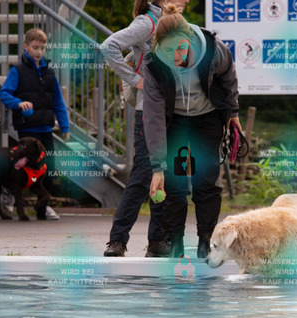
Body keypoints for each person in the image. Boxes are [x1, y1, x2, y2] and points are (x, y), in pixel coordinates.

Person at [143, 5, 241, 259]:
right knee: (174, 182)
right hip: (175, 120)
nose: (175, 56)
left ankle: (205, 241)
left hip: (207, 118)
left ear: (189, 41)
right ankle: (175, 241)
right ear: (158, 45)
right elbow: (153, 116)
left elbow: (228, 76)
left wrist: (233, 112)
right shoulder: (154, 64)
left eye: (181, 48)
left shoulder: (212, 49)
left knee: (206, 181)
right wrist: (157, 167)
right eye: (168, 50)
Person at [100, 0, 189, 257]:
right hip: (148, 112)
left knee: (165, 177)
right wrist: (135, 79)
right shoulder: (147, 22)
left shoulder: (173, 23)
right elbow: (108, 47)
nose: (186, 0)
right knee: (141, 178)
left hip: (171, 111)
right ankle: (117, 240)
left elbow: (137, 55)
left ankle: (157, 242)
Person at [0, 28, 69, 220]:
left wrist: (65, 126)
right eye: (35, 47)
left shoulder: (50, 72)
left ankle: (43, 207)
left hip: (46, 127)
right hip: (27, 129)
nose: (39, 51)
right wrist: (18, 103)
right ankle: (9, 194)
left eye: (42, 48)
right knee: (22, 167)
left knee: (47, 168)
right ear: (26, 46)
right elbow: (4, 93)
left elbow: (58, 102)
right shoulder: (17, 70)